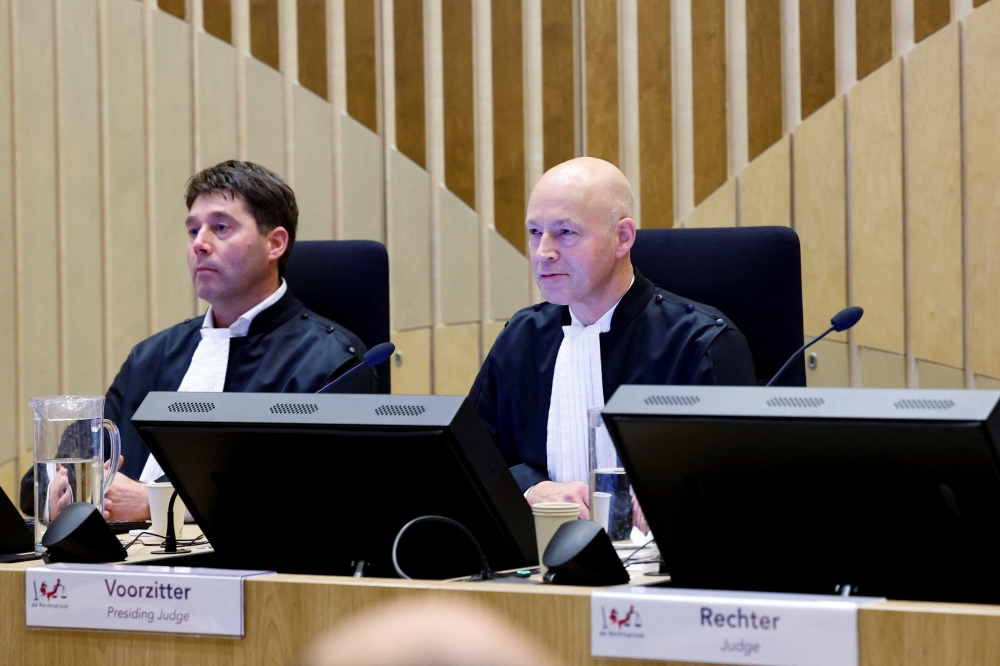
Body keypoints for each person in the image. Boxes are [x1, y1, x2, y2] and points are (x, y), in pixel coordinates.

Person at [22, 161, 378, 521]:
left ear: (275, 243)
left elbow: (323, 497)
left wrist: (155, 503)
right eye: (193, 230)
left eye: (220, 228)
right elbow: (39, 479)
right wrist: (59, 494)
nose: (200, 244)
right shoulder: (151, 357)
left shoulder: (332, 362)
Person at [469, 157, 756, 520]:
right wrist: (530, 486)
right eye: (535, 232)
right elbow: (470, 464)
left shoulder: (702, 344)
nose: (544, 252)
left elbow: (742, 488)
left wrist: (669, 498)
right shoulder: (519, 339)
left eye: (565, 233)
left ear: (622, 238)